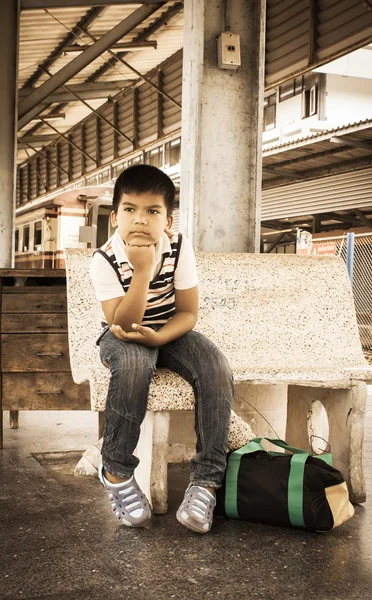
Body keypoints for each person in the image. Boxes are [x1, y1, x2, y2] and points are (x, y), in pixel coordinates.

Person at [90, 164, 233, 534]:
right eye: (130, 209)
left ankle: (205, 482)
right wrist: (141, 271)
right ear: (115, 215)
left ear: (168, 219)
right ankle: (116, 472)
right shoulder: (104, 259)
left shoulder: (179, 247)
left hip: (170, 330)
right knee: (136, 365)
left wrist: (159, 338)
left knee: (215, 366)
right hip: (121, 334)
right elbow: (122, 324)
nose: (140, 220)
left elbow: (188, 312)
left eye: (152, 211)